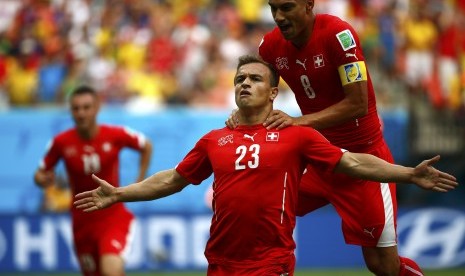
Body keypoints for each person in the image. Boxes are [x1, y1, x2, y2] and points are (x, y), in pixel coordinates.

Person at [74, 55, 457, 276]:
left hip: (270, 260)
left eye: (255, 79)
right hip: (220, 261)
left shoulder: (297, 136)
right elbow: (173, 180)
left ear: (273, 92)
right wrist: (120, 193)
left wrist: (408, 173)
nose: (244, 83)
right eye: (239, 78)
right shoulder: (214, 139)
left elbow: (353, 163)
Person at [225, 1, 427, 275]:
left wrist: (299, 122)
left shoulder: (339, 35)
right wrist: (242, 114)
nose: (279, 17)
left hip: (364, 161)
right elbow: (261, 90)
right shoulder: (270, 46)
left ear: (309, 5)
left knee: (384, 266)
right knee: (262, 208)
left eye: (287, 7)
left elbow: (357, 103)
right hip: (319, 159)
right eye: (274, 9)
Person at [34, 85, 153, 276]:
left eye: (86, 107)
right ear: (71, 111)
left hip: (112, 217)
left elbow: (146, 145)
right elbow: (39, 173)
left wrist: (138, 182)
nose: (81, 113)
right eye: (76, 108)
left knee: (110, 270)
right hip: (82, 223)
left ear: (97, 108)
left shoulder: (115, 134)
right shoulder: (60, 142)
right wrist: (43, 179)